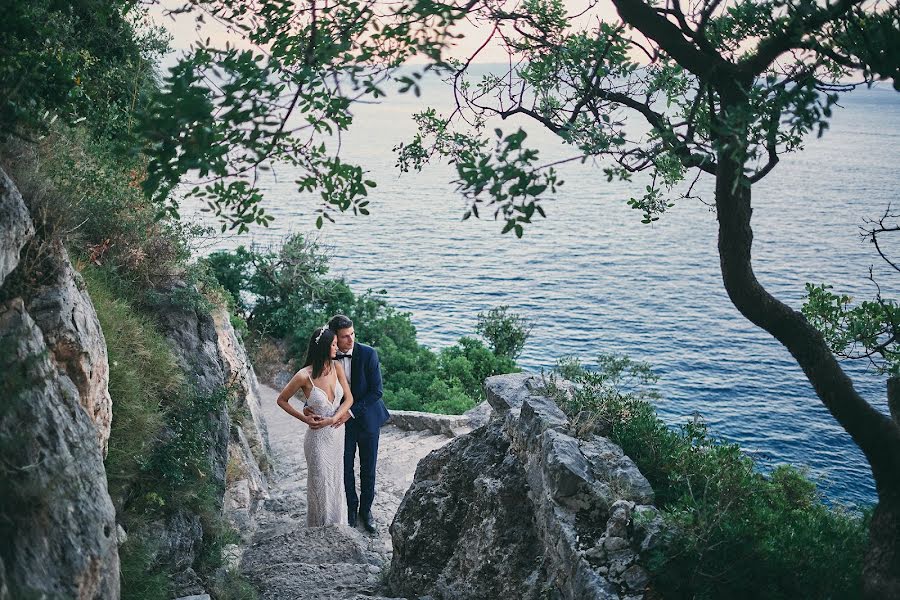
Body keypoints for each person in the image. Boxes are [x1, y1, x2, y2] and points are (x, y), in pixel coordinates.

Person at [276, 326, 354, 527]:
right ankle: (319, 528)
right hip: (317, 438)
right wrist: (304, 419)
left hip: (336, 433)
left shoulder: (337, 368)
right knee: (320, 482)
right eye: (334, 345)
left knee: (336, 478)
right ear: (323, 348)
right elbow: (282, 400)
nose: (337, 348)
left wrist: (334, 417)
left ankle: (338, 525)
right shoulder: (304, 375)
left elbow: (349, 399)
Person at [327, 314, 390, 533]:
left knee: (368, 468)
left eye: (352, 334)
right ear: (334, 337)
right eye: (345, 337)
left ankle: (366, 510)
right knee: (345, 467)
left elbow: (377, 391)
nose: (351, 340)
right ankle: (351, 509)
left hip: (368, 419)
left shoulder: (369, 354)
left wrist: (351, 412)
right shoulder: (329, 356)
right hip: (340, 423)